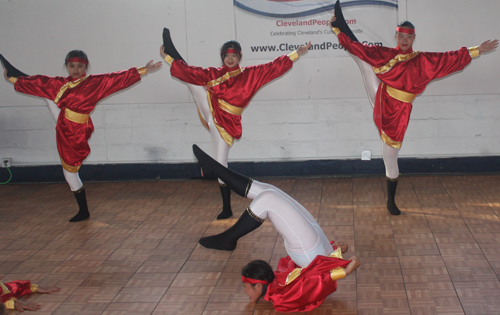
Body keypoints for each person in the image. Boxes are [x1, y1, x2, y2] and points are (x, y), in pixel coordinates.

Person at [330, 0, 498, 215]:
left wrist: (477, 50)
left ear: (413, 38)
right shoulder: (387, 54)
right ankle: (341, 24)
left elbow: (449, 58)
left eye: (409, 37)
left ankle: (391, 200)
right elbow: (360, 49)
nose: (405, 40)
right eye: (401, 36)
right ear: (396, 36)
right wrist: (338, 29)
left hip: (399, 110)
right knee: (363, 59)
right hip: (382, 95)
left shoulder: (424, 61)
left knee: (389, 157)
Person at [160, 28, 311, 220]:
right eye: (227, 56)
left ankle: (226, 207)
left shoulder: (251, 74)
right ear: (222, 57)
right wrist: (168, 59)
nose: (230, 59)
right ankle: (173, 52)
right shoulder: (214, 73)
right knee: (193, 80)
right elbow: (192, 72)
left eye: (234, 56)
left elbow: (273, 67)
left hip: (226, 123)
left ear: (239, 57)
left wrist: (296, 53)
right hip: (212, 108)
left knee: (221, 165)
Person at [192, 144, 361, 312]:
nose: (244, 291)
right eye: (246, 287)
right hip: (313, 252)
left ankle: (217, 173)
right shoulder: (280, 295)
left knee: (270, 194)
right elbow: (314, 284)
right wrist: (340, 263)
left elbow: (311, 281)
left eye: (245, 286)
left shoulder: (279, 293)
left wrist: (340, 264)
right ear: (259, 287)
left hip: (312, 252)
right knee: (270, 196)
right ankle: (227, 233)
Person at [2, 52, 162, 222]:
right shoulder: (62, 83)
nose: (76, 69)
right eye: (72, 66)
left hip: (76, 131)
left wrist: (143, 70)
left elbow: (117, 79)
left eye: (80, 66)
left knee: (70, 173)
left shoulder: (94, 84)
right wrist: (15, 78)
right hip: (64, 121)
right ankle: (19, 76)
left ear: (86, 66)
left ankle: (84, 211)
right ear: (66, 66)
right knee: (46, 90)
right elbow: (43, 83)